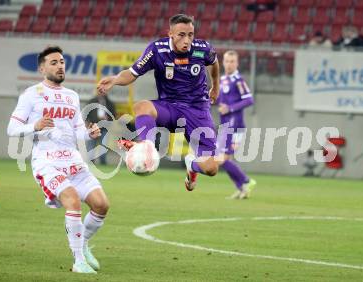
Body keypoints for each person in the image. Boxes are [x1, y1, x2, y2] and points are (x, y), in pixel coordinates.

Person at [7, 46, 109, 274]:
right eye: (53, 62)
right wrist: (35, 125)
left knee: (102, 205)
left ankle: (82, 243)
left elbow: (77, 131)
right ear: (42, 68)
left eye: (61, 61)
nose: (60, 65)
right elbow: (11, 129)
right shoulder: (31, 94)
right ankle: (79, 260)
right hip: (47, 162)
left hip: (73, 160)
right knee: (72, 199)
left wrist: (89, 133)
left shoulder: (71, 96)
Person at [97, 14, 220, 191]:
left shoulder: (203, 49)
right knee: (142, 106)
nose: (187, 40)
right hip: (170, 108)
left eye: (190, 34)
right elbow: (132, 73)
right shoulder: (157, 50)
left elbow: (214, 64)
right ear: (170, 33)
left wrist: (215, 86)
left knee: (211, 169)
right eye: (181, 34)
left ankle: (191, 165)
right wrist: (115, 80)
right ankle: (147, 146)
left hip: (198, 110)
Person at [216, 50, 256, 199]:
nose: (229, 64)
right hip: (225, 125)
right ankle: (242, 189)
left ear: (237, 63)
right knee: (223, 160)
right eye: (227, 61)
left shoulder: (238, 80)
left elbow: (249, 99)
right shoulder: (223, 79)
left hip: (236, 126)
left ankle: (247, 181)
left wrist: (230, 108)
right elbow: (220, 99)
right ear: (223, 62)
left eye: (232, 61)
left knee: (222, 159)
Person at [85, 94, 116, 165]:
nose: (102, 92)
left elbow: (113, 115)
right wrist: (87, 123)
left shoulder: (109, 103)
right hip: (93, 126)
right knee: (91, 145)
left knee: (103, 145)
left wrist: (108, 119)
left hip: (105, 127)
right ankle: (90, 162)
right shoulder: (92, 101)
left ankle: (103, 162)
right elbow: (86, 112)